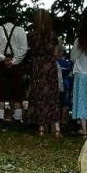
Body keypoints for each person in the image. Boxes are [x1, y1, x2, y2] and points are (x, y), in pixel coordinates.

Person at [27, 9, 63, 137]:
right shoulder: (52, 35)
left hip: (37, 66)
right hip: (49, 66)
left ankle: (41, 127)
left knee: (39, 96)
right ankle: (56, 127)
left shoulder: (32, 35)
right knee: (52, 96)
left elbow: (30, 51)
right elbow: (56, 53)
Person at [0, 14, 28, 123]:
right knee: (17, 91)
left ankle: (1, 118)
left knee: (0, 91)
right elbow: (24, 48)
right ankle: (17, 118)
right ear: (15, 20)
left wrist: (2, 58)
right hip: (16, 64)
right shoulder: (20, 31)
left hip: (0, 63)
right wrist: (14, 61)